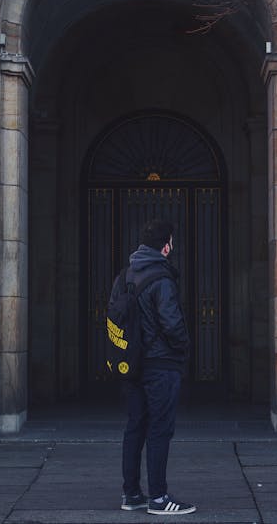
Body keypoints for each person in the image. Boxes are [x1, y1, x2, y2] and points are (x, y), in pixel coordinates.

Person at [115, 219, 196, 515]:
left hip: (132, 363)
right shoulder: (162, 278)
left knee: (135, 426)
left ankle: (132, 494)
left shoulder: (125, 275)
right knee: (160, 429)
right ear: (166, 246)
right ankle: (159, 498)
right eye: (172, 242)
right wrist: (184, 350)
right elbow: (172, 323)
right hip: (160, 364)